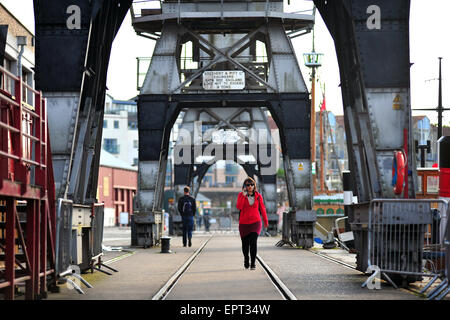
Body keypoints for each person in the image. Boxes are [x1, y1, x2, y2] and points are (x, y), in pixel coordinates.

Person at [236, 177, 268, 270]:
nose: (250, 186)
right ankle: (246, 259)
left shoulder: (258, 196)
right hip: (244, 224)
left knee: (253, 242)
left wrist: (265, 221)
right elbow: (239, 206)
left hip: (255, 223)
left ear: (254, 186)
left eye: (251, 184)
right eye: (247, 185)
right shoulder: (241, 195)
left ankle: (253, 263)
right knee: (245, 245)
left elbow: (262, 209)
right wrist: (243, 195)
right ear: (244, 187)